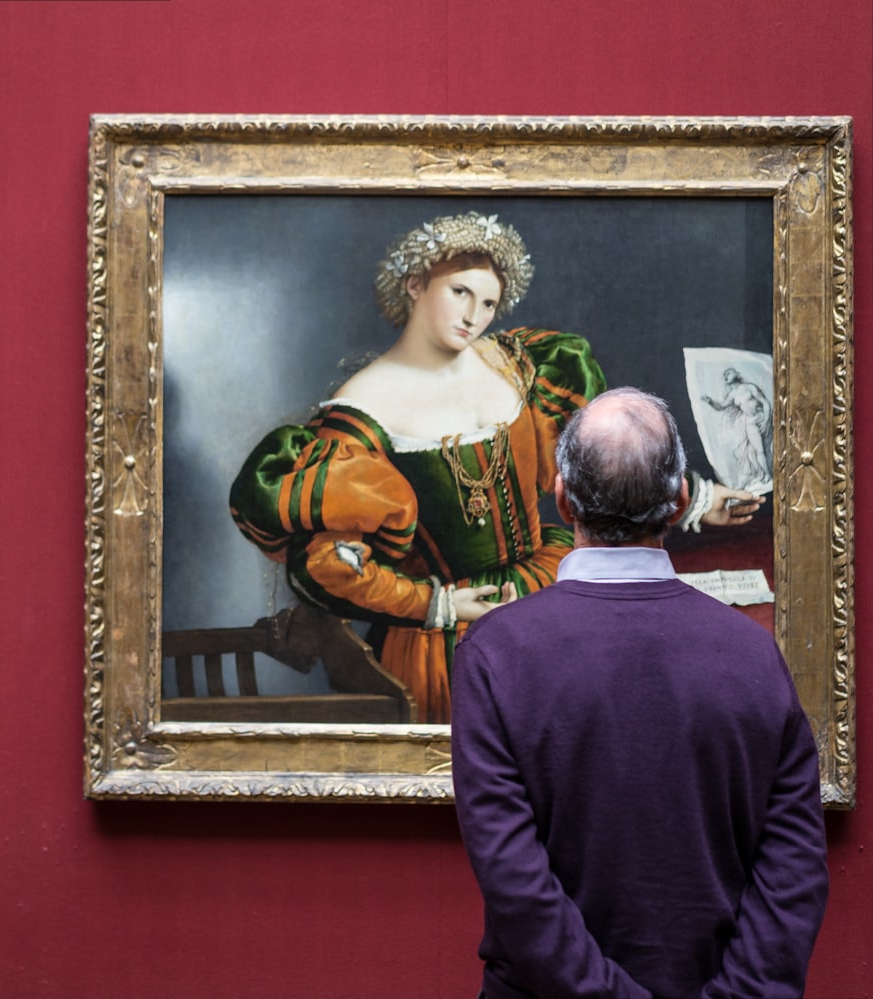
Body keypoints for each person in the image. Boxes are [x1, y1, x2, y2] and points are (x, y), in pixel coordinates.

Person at [230, 213, 757, 724]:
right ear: (415, 284)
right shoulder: (362, 406)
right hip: (446, 635)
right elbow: (329, 564)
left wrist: (698, 500)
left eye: (488, 302)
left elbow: (603, 460)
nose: (473, 316)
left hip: (549, 585)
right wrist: (436, 603)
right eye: (460, 292)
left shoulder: (516, 363)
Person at [451, 387, 828, 998]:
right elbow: (793, 872)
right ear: (680, 500)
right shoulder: (753, 650)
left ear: (563, 498)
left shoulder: (494, 653)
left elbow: (515, 883)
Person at [702, 366, 774, 490]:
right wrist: (710, 401)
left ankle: (772, 474)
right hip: (750, 422)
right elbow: (721, 407)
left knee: (771, 449)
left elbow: (765, 403)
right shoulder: (733, 395)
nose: (726, 376)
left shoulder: (749, 387)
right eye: (724, 376)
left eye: (728, 372)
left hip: (762, 417)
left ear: (736, 373)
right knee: (759, 451)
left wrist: (766, 419)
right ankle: (767, 475)